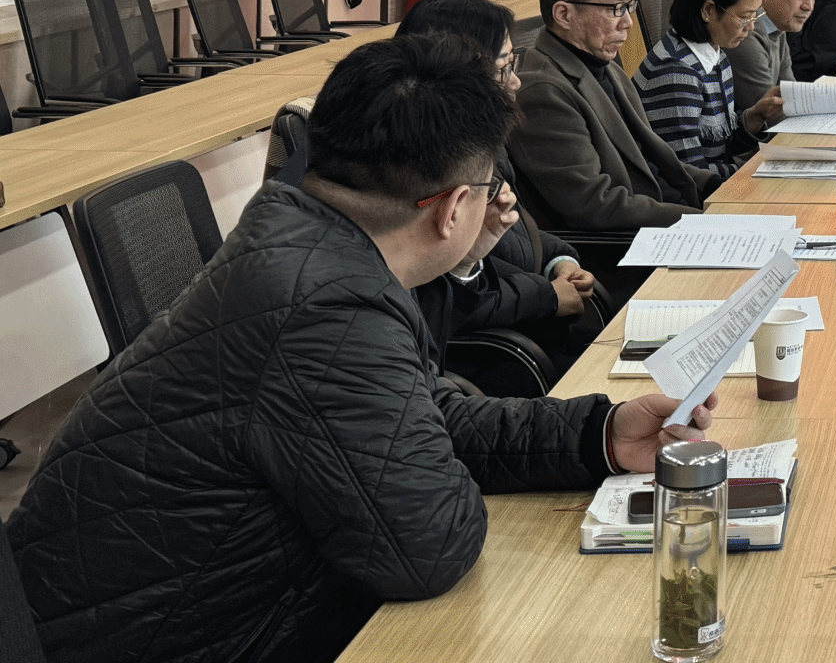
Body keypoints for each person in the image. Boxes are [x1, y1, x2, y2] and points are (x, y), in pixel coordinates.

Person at [6, 34, 714, 663]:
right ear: (453, 209)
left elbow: (414, 417)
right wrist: (429, 465)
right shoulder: (327, 306)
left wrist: (597, 435)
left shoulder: (299, 235)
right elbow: (431, 544)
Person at [397, 0, 600, 377]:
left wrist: (561, 262)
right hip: (496, 357)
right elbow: (447, 298)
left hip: (533, 328)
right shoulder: (427, 169)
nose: (516, 81)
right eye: (504, 68)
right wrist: (546, 296)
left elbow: (518, 230)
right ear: (457, 75)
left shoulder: (484, 145)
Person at [507, 0, 717, 233]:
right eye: (616, 8)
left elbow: (653, 164)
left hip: (668, 217)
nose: (628, 22)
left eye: (630, 5)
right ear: (564, 15)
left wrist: (722, 188)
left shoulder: (604, 65)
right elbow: (596, 206)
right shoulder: (542, 93)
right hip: (632, 244)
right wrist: (705, 222)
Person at [633, 0, 773, 186]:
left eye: (755, 16)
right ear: (709, 10)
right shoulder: (677, 73)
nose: (750, 27)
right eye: (744, 17)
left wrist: (756, 116)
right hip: (683, 198)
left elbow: (721, 148)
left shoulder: (716, 56)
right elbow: (689, 174)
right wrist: (756, 170)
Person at [727, 0, 823, 121]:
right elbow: (771, 116)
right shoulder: (746, 32)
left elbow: (791, 96)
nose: (809, 6)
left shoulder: (776, 27)